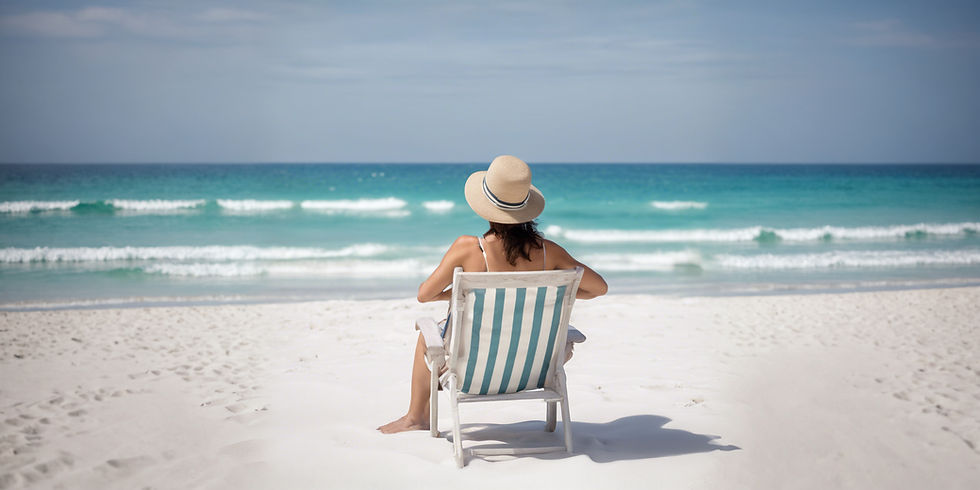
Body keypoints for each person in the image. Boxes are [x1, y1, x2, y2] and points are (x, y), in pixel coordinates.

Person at [378, 155, 607, 434]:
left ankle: (416, 416)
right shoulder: (550, 252)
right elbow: (599, 288)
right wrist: (562, 292)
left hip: (473, 371)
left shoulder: (467, 248)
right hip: (533, 369)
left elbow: (424, 294)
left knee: (426, 334)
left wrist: (456, 296)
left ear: (487, 209)